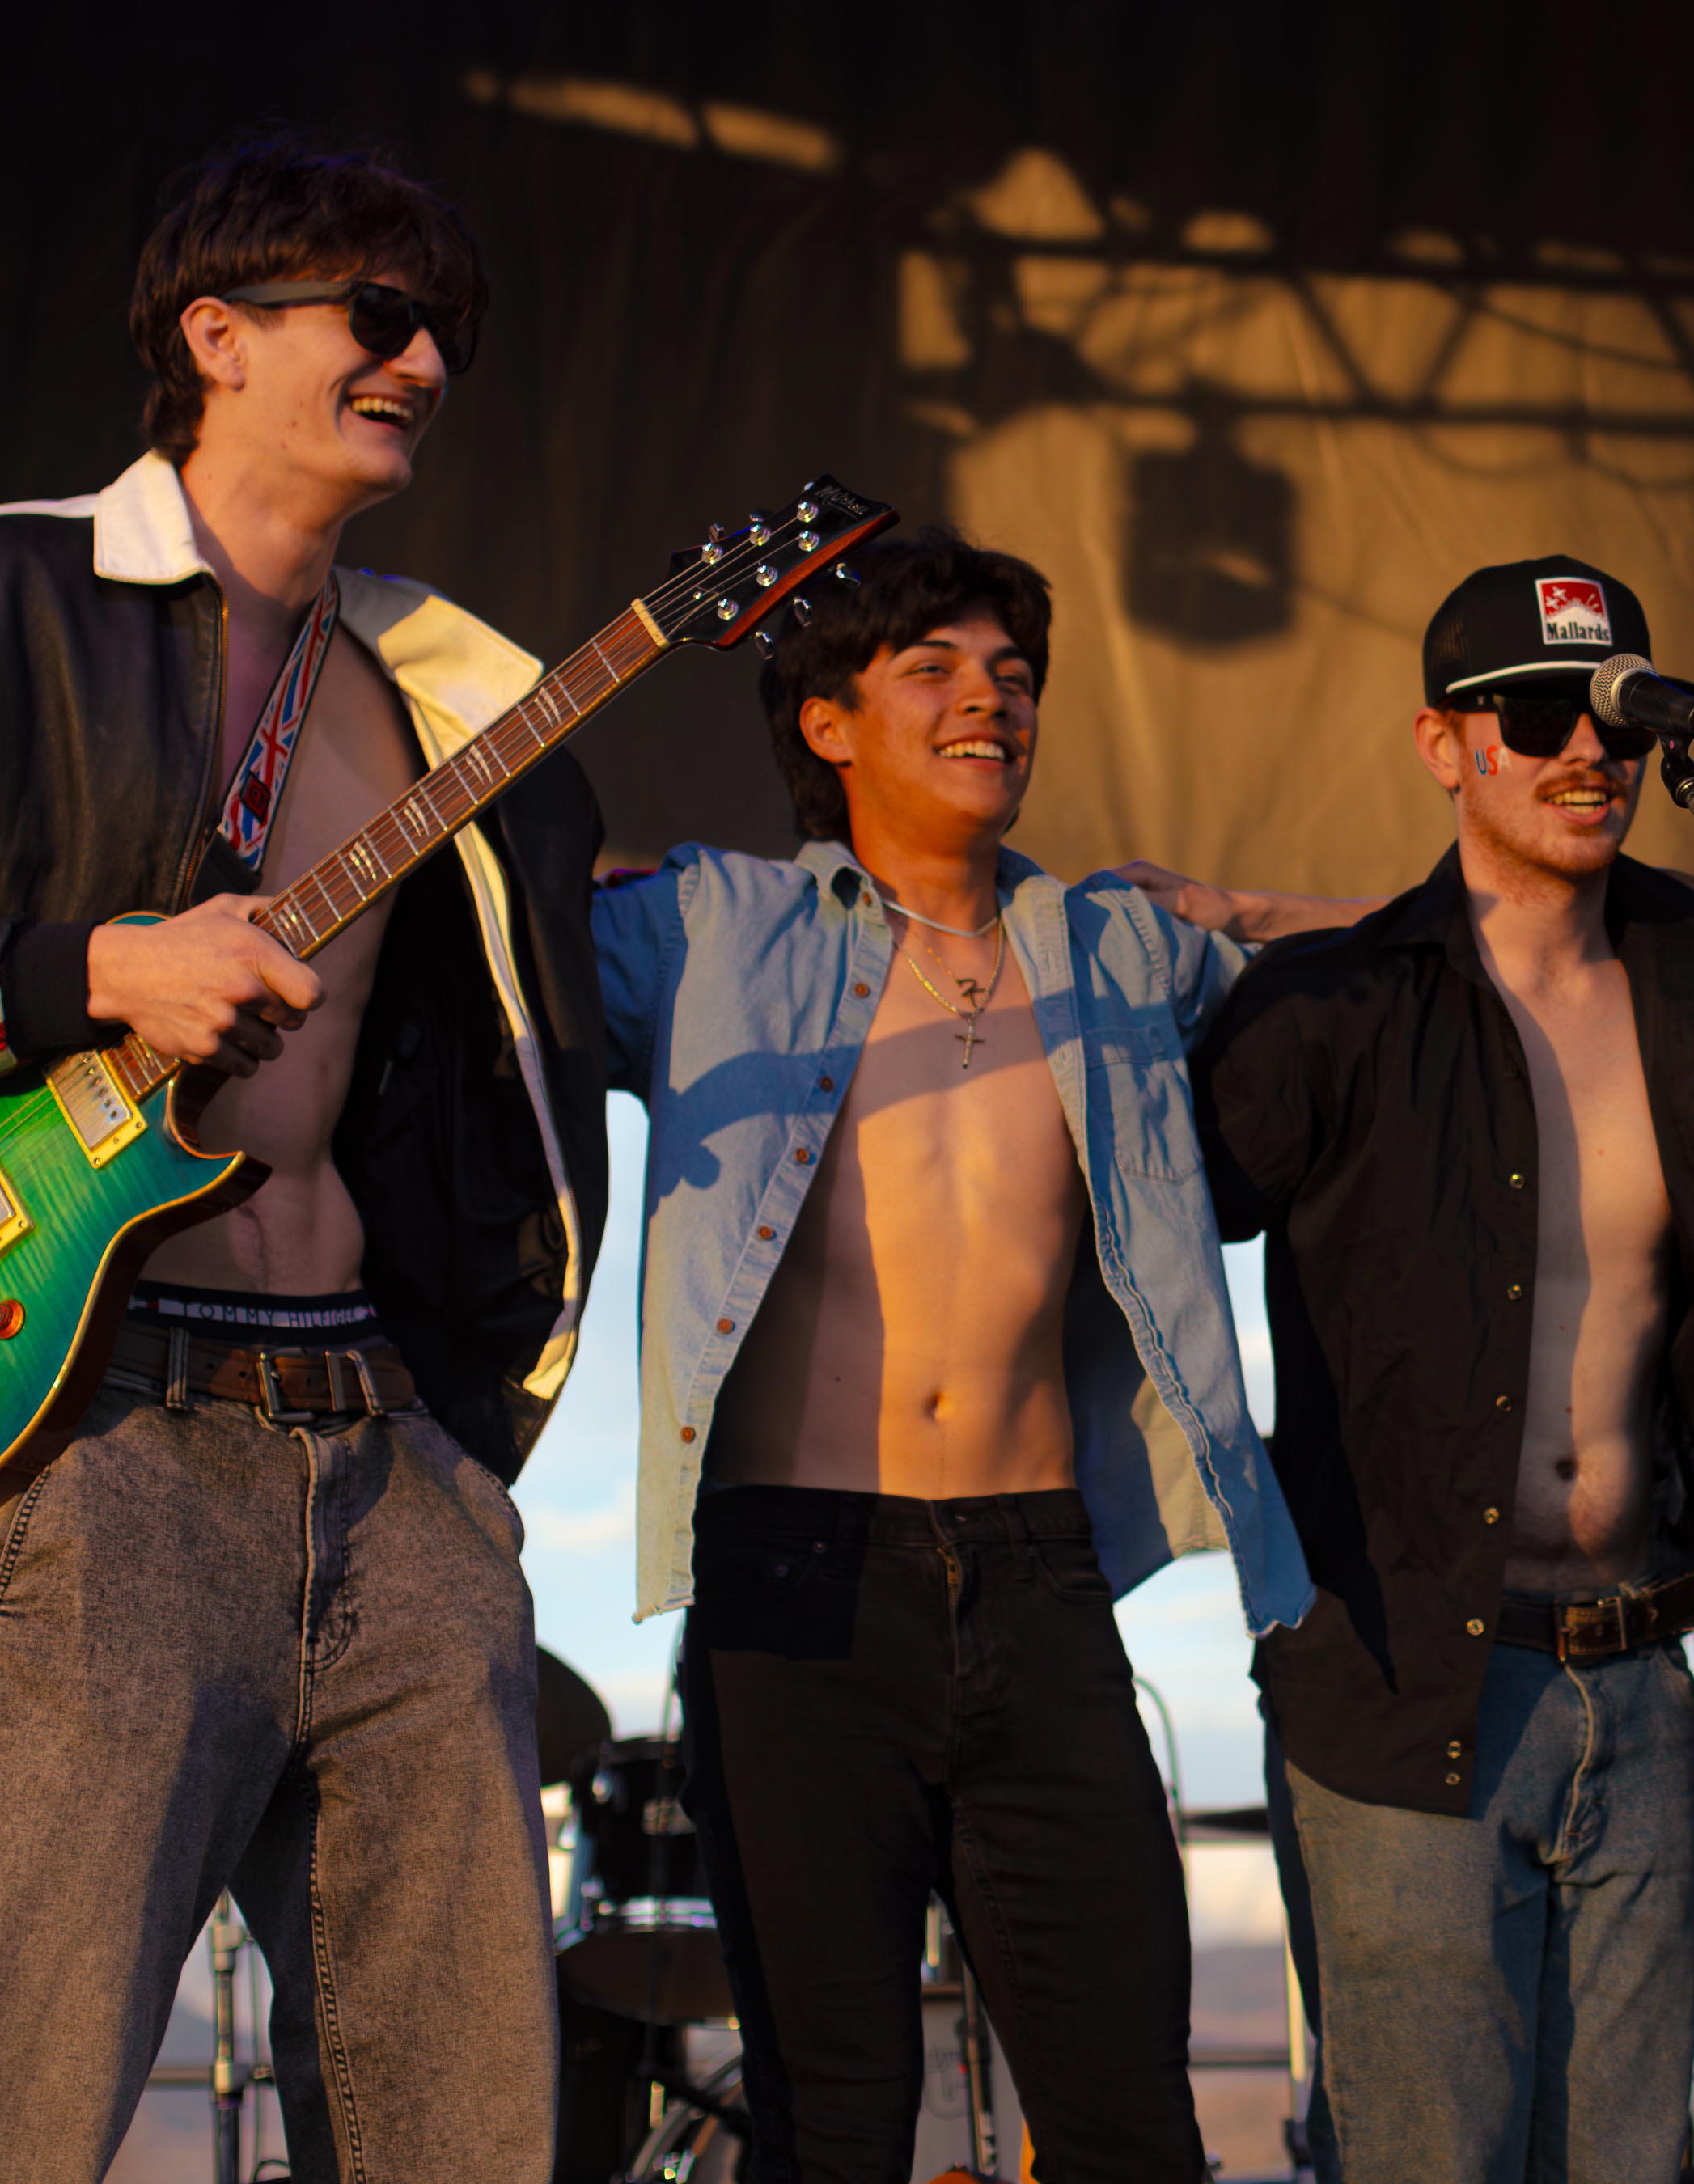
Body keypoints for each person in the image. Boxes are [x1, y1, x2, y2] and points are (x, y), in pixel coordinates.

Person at [0, 135, 599, 2183]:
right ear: (218, 333)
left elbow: (531, 1045)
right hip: (111, 1435)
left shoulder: (448, 691)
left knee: (464, 2125)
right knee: (17, 2116)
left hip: (395, 1446)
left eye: (447, 334)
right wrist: (95, 969)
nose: (425, 363)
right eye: (382, 314)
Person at [591, 529, 1312, 2184]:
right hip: (797, 1581)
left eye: (1014, 675)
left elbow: (1393, 977)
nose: (991, 699)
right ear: (828, 724)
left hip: (1042, 1576)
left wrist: (1246, 905)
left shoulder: (1119, 950)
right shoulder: (711, 922)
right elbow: (485, 932)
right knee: (836, 2119)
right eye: (933, 671)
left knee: (1131, 2124)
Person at [1188, 554, 1694, 2184]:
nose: (1587, 750)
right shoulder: (1332, 1007)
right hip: (1407, 1681)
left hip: (1641, 1670)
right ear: (1444, 744)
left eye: (1620, 718)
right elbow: (1132, 1227)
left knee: (1630, 2168)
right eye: (1537, 715)